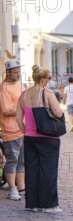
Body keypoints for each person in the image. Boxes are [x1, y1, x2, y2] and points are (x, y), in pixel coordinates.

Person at [16, 65, 63, 212]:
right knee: (48, 170)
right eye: (48, 78)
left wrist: (27, 132)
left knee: (32, 170)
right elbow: (58, 112)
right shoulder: (47, 92)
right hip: (48, 137)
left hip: (29, 138)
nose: (49, 81)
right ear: (43, 79)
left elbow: (19, 119)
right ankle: (49, 205)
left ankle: (33, 204)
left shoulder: (23, 94)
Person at [0, 59, 26, 201]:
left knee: (22, 160)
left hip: (23, 128)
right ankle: (12, 188)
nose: (18, 74)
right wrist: (23, 109)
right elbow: (6, 110)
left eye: (19, 72)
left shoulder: (21, 85)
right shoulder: (3, 88)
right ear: (8, 72)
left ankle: (21, 187)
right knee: (12, 160)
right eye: (15, 72)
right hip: (10, 130)